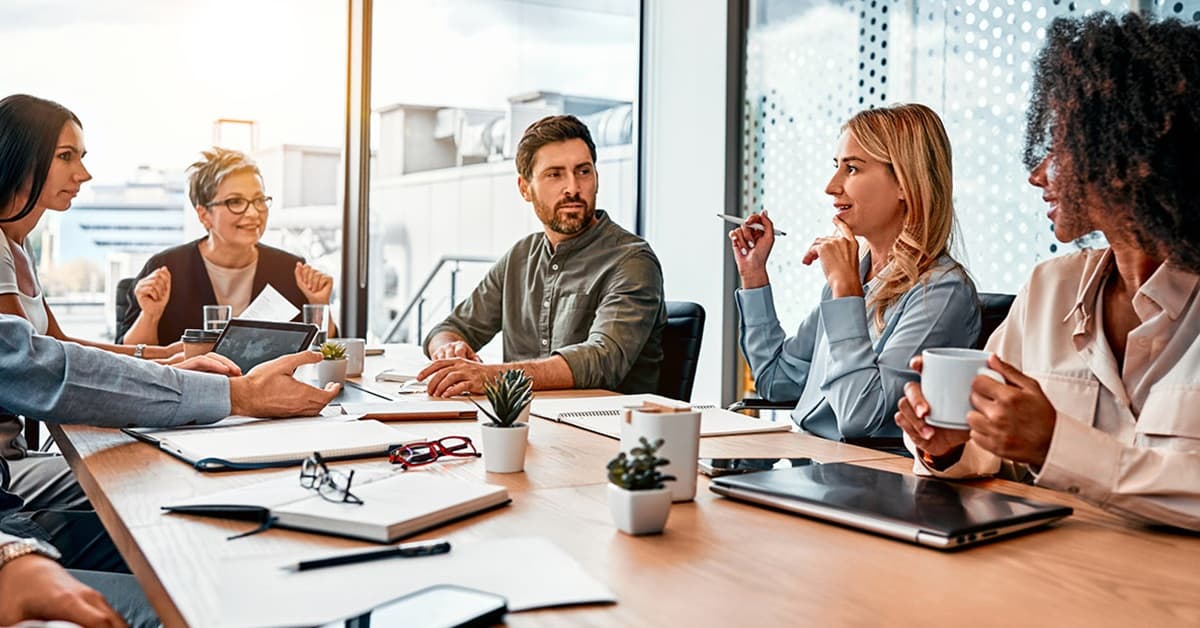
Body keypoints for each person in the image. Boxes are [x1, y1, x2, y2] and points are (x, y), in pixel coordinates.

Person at [894, 13, 1200, 531]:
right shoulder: (1050, 288)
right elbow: (991, 452)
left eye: (1059, 146)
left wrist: (1055, 443)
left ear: (1133, 154)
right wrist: (951, 444)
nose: (1037, 174)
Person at [729, 103, 980, 441]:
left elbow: (861, 418)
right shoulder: (858, 274)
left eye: (852, 169)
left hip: (863, 479)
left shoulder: (941, 292)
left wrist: (846, 290)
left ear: (905, 183)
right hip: (810, 461)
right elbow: (777, 380)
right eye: (837, 167)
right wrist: (754, 275)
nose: (831, 186)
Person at [419, 115, 666, 397]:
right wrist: (448, 350)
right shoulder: (520, 257)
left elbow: (603, 360)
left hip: (605, 432)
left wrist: (490, 377)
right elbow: (450, 328)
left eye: (583, 171)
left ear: (597, 178)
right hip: (524, 425)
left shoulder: (632, 261)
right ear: (525, 188)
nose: (573, 188)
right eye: (555, 174)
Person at [116, 147, 336, 347]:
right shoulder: (166, 268)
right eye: (236, 202)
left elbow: (327, 353)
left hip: (269, 390)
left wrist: (318, 304)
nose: (253, 213)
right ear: (204, 215)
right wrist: (150, 316)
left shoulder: (289, 269)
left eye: (259, 200)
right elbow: (128, 359)